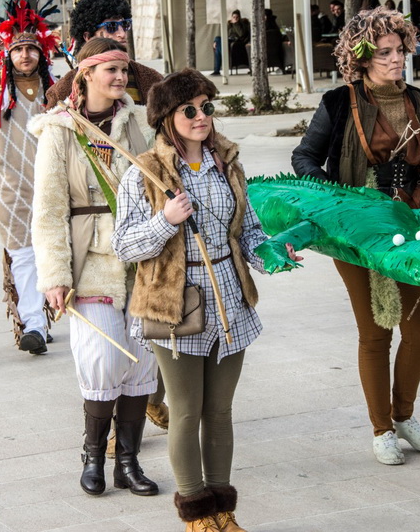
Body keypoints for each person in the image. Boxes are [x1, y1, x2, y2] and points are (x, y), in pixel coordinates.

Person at [112, 68, 301, 532]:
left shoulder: (227, 164)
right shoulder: (144, 174)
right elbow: (124, 246)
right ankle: (196, 514)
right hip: (175, 304)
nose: (201, 117)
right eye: (189, 110)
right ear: (166, 119)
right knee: (186, 409)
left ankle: (223, 510)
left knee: (220, 412)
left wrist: (271, 252)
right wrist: (166, 220)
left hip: (229, 299)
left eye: (207, 107)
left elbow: (248, 231)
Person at [291, 7, 420, 466]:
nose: (398, 59)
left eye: (401, 50)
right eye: (385, 53)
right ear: (360, 59)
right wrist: (339, 202)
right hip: (360, 235)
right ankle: (381, 428)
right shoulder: (340, 103)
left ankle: (404, 415)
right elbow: (304, 158)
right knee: (375, 330)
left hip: (416, 230)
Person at [30, 37, 159, 498]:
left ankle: (129, 460)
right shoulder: (60, 130)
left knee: (143, 356)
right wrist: (55, 277)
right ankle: (93, 454)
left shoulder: (141, 122)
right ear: (85, 74)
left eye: (125, 70)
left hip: (144, 255)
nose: (121, 78)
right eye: (111, 70)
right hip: (89, 260)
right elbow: (47, 211)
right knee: (103, 358)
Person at [0, 2, 57, 354]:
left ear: (41, 53)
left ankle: (52, 312)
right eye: (18, 49)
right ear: (8, 53)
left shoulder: (57, 90)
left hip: (54, 186)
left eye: (30, 49)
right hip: (10, 187)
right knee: (22, 256)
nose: (24, 55)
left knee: (54, 252)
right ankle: (33, 324)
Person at [47, 0, 162, 107]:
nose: (122, 34)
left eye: (125, 25)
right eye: (111, 27)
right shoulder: (61, 92)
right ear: (88, 37)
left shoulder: (152, 80)